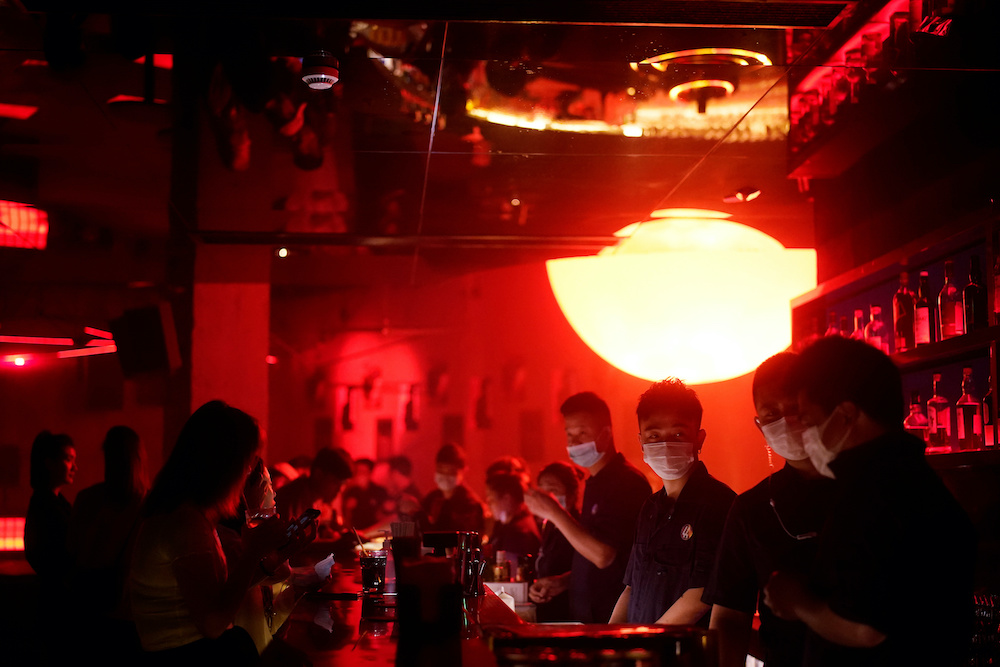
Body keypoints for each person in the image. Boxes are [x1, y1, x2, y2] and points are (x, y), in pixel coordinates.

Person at [763, 336, 977, 667]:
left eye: (808, 419)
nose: (803, 432)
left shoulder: (879, 491)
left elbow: (866, 627)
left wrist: (797, 601)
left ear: (846, 416)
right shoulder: (909, 479)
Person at [129, 401, 289, 665]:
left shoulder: (188, 515)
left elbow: (217, 592)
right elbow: (213, 623)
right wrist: (253, 552)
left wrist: (274, 555)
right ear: (223, 466)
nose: (248, 472)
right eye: (246, 463)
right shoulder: (185, 524)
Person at [703, 353, 835, 667]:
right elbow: (729, 619)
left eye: (794, 407)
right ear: (760, 425)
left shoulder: (869, 487)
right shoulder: (752, 508)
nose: (787, 420)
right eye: (772, 412)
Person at [609, 379, 736, 625]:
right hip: (644, 652)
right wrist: (611, 642)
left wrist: (651, 643)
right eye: (654, 435)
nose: (665, 444)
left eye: (678, 433)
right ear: (641, 442)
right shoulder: (650, 508)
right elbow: (631, 587)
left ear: (699, 439)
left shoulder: (720, 504)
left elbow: (704, 592)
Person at [525, 392, 651, 623]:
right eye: (569, 434)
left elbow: (605, 556)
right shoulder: (595, 482)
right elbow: (595, 556)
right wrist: (564, 581)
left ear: (606, 432)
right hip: (585, 615)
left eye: (582, 433)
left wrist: (554, 512)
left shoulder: (626, 482)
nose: (573, 442)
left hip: (613, 618)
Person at [67, 425, 149, 660]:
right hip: (133, 616)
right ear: (139, 458)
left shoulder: (88, 500)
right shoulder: (150, 505)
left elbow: (72, 550)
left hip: (89, 612)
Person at [531, 461, 584, 622]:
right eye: (542, 490)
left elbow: (591, 571)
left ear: (572, 493)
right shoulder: (549, 526)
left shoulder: (579, 527)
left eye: (553, 490)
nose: (546, 497)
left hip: (572, 615)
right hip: (549, 614)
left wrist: (564, 581)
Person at [24, 431, 77, 586]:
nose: (75, 467)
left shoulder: (54, 503)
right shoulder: (47, 507)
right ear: (50, 463)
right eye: (68, 460)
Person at [275, 447, 354, 535]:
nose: (339, 489)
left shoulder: (316, 498)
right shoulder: (294, 498)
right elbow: (291, 542)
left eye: (342, 484)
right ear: (318, 474)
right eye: (335, 482)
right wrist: (335, 544)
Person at [421, 442, 485, 534]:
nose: (445, 476)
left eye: (450, 471)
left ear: (463, 471)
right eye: (441, 470)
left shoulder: (470, 505)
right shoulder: (431, 499)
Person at [485, 470, 540, 561]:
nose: (489, 505)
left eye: (491, 499)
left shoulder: (519, 534)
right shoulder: (505, 526)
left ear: (507, 499)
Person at [341, 458, 389, 532]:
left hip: (375, 533)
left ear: (370, 473)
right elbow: (345, 519)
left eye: (362, 472)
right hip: (355, 534)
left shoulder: (379, 492)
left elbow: (385, 517)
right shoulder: (350, 492)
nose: (359, 475)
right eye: (357, 472)